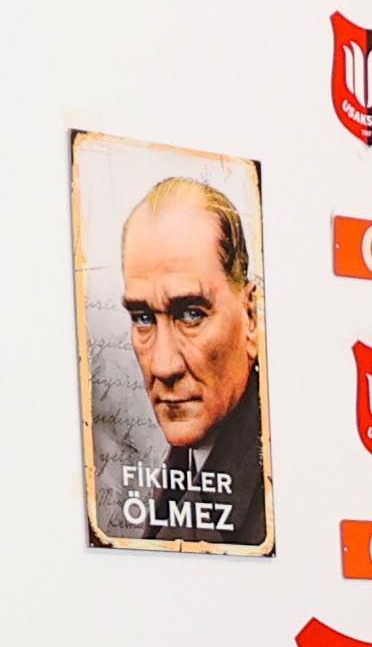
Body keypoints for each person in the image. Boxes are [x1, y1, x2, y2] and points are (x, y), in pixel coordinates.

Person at [103, 175, 266, 547]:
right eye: (143, 318)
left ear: (250, 316)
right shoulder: (187, 469)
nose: (164, 366)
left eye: (191, 314)